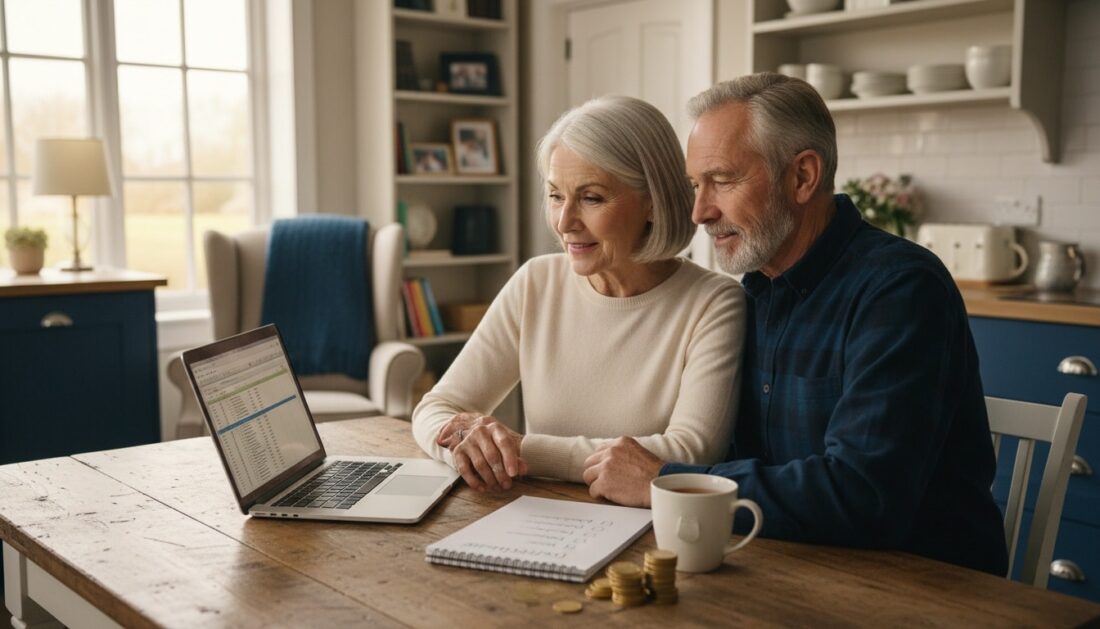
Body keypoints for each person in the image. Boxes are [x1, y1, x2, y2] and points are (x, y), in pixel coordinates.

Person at [582, 74, 1009, 576]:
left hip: (928, 588)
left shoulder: (900, 290)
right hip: (796, 567)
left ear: (803, 177)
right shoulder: (755, 290)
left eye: (722, 180)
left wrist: (670, 479)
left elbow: (862, 494)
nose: (699, 211)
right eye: (695, 185)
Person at [411, 95, 746, 491]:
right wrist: (467, 445)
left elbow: (691, 450)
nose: (564, 222)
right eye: (555, 195)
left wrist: (520, 450)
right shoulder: (536, 282)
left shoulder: (714, 302)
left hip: (648, 533)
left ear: (652, 204)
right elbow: (435, 408)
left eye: (591, 198)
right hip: (536, 520)